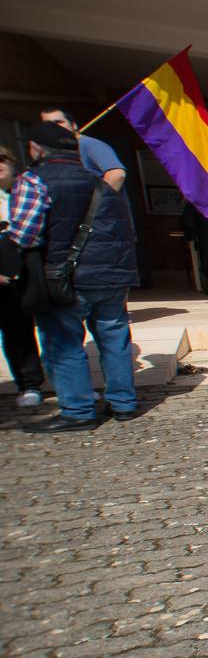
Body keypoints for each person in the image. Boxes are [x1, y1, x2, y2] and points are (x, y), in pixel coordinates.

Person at [3, 124, 141, 432]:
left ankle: (78, 410)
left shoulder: (35, 181)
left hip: (65, 276)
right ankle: (123, 404)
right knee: (115, 339)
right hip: (111, 276)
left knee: (63, 342)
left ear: (37, 149)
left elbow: (24, 235)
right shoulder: (103, 183)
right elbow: (124, 232)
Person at [0, 148, 44, 409]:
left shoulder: (27, 188)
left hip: (25, 266)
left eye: (2, 160)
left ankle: (30, 383)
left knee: (19, 329)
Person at [40, 108, 126, 192]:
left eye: (59, 122)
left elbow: (117, 174)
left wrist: (97, 203)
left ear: (74, 125)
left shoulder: (90, 144)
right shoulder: (59, 150)